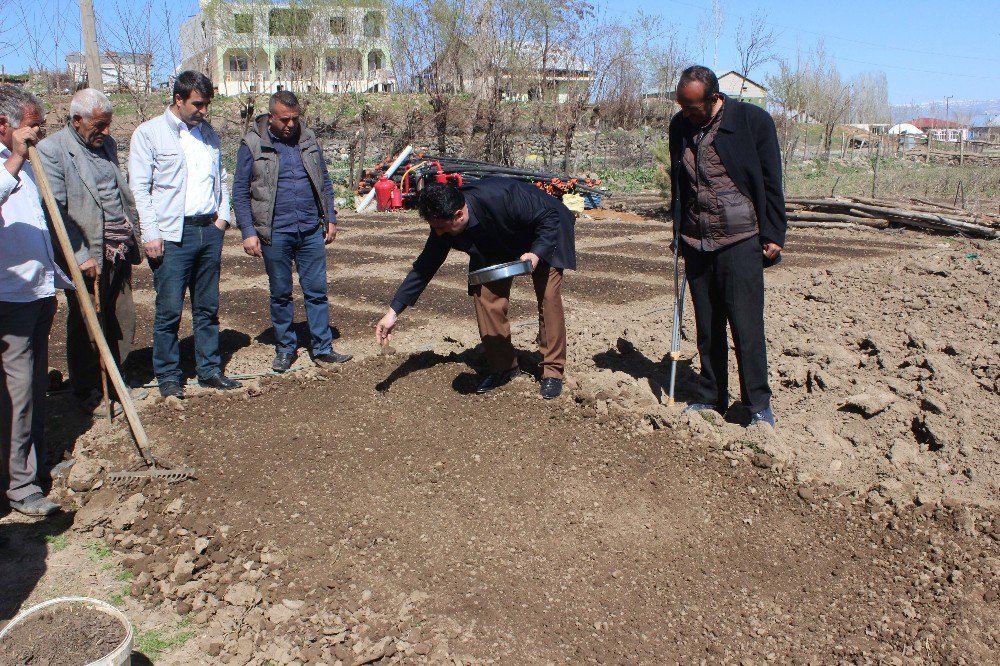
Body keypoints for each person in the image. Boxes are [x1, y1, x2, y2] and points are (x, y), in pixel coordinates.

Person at [375, 178, 576, 399]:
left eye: (441, 228)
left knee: (548, 297)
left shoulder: (502, 195)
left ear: (459, 215)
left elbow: (549, 217)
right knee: (484, 293)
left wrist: (536, 253)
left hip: (545, 230)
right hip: (497, 239)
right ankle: (504, 367)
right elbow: (424, 267)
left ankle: (552, 371)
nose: (439, 234)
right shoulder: (443, 223)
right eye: (435, 228)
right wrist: (393, 312)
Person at [668, 65, 787, 427]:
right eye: (682, 107)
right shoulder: (680, 126)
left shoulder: (753, 122)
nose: (685, 114)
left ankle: (757, 405)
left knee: (746, 326)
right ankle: (710, 396)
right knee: (708, 325)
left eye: (692, 108)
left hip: (740, 239)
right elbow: (680, 186)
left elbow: (770, 181)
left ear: (714, 98)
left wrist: (773, 233)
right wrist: (678, 232)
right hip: (696, 240)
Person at [129, 71, 241, 398]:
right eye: (198, 104)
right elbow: (141, 187)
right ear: (178, 99)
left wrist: (222, 218)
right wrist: (151, 233)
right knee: (169, 310)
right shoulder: (149, 134)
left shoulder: (210, 135)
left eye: (207, 104)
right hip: (172, 235)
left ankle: (208, 370)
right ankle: (168, 376)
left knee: (207, 306)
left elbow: (221, 179)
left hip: (208, 230)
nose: (204, 110)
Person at [37, 88, 141, 415]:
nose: (107, 132)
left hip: (117, 247)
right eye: (100, 125)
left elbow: (119, 193)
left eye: (108, 124)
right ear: (77, 120)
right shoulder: (51, 151)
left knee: (121, 317)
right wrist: (80, 255)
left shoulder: (106, 144)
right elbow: (55, 211)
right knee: (86, 323)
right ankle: (88, 390)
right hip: (87, 251)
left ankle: (116, 380)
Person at [232, 91, 350, 372]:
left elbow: (325, 180)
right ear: (271, 116)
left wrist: (330, 216)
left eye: (295, 119)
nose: (290, 125)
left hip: (309, 228)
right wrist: (248, 231)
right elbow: (239, 191)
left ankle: (322, 347)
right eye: (285, 119)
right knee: (281, 293)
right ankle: (286, 348)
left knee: (316, 291)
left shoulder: (308, 140)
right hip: (275, 232)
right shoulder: (252, 144)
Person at [0, 86, 66, 516]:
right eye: (31, 125)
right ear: (3, 125)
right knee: (17, 393)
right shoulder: (10, 166)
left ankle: (36, 468)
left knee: (35, 389)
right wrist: (17, 159)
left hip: (39, 290)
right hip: (10, 296)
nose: (38, 133)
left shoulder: (28, 162)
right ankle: (19, 486)